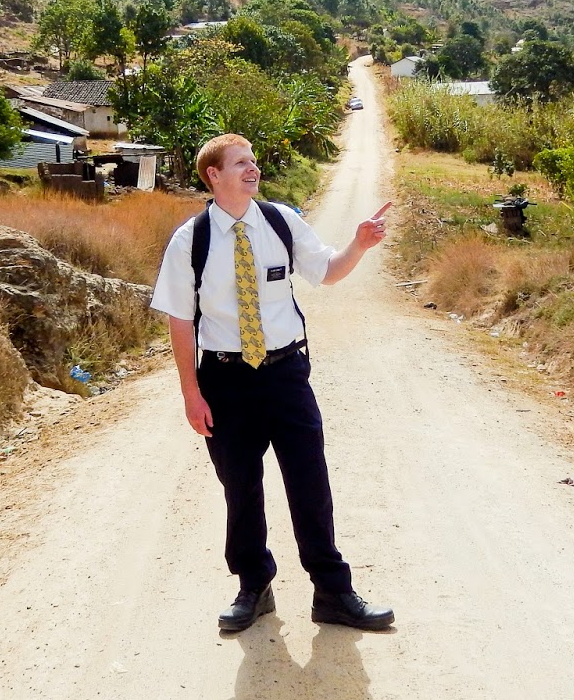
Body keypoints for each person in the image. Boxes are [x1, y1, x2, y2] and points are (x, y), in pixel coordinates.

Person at [151, 133, 394, 634]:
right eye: (240, 162)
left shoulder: (281, 221)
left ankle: (333, 592)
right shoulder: (191, 240)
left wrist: (359, 245)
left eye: (254, 161)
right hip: (225, 379)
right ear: (214, 175)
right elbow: (179, 319)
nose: (253, 169)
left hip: (286, 374)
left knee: (310, 481)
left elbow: (327, 272)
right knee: (240, 487)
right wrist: (191, 393)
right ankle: (253, 586)